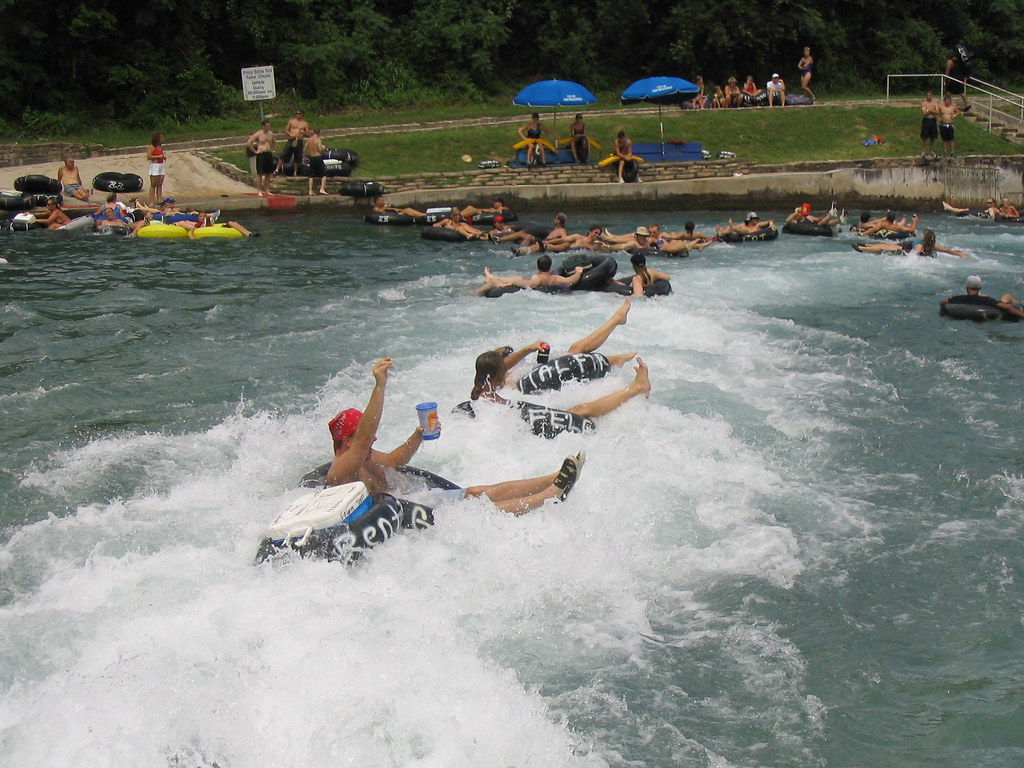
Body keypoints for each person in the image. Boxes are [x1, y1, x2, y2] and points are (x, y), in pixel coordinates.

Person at [326, 358, 585, 514]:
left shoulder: (366, 457)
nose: (373, 439)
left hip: (409, 503)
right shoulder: (342, 470)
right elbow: (365, 436)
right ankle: (548, 495)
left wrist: (418, 435)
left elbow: (395, 461)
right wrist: (380, 385)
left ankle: (552, 479)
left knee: (475, 492)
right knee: (475, 509)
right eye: (364, 436)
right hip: (402, 515)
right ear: (348, 440)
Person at [474, 256, 584, 295]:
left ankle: (491, 278)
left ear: (538, 267)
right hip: (546, 289)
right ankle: (491, 277)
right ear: (550, 267)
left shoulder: (537, 278)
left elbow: (528, 284)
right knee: (519, 278)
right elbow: (572, 280)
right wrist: (578, 271)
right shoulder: (556, 278)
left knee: (518, 279)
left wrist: (512, 283)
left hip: (525, 289)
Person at [939, 275, 1024, 317]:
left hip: (971, 302)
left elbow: (943, 303)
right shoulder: (986, 300)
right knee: (1007, 296)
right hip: (987, 304)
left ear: (967, 287)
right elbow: (1006, 307)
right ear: (980, 287)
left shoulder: (958, 298)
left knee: (985, 295)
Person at [854, 229, 967, 258]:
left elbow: (947, 250)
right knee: (885, 246)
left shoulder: (930, 247)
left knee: (885, 246)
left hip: (906, 247)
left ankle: (862, 247)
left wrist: (959, 254)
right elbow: (914, 255)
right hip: (905, 245)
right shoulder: (920, 246)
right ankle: (863, 247)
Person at [246, 120, 276, 198]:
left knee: (268, 173)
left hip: (268, 153)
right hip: (261, 153)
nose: (268, 127)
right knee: (260, 173)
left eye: (269, 126)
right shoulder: (259, 134)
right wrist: (255, 151)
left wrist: (272, 149)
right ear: (263, 126)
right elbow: (249, 142)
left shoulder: (271, 134)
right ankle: (259, 190)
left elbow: (274, 142)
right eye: (266, 126)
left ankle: (267, 190)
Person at [278, 109, 310, 176]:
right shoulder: (291, 121)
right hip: (291, 140)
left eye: (299, 113)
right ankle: (277, 169)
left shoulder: (305, 124)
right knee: (284, 154)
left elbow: (308, 134)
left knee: (297, 157)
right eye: (296, 113)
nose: (297, 115)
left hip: (299, 140)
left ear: (302, 115)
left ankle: (295, 172)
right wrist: (290, 135)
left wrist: (303, 132)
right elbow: (286, 129)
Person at [945, 45, 972, 111]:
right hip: (960, 77)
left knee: (948, 91)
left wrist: (945, 79)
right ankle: (967, 104)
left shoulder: (950, 61)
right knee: (961, 92)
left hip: (953, 78)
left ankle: (948, 104)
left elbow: (948, 70)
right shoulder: (960, 60)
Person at [305, 127, 328, 195]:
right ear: (319, 133)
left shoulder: (309, 140)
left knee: (311, 175)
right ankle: (322, 189)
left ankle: (310, 190)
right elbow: (320, 149)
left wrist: (303, 156)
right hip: (318, 157)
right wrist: (323, 147)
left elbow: (305, 148)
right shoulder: (318, 139)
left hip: (311, 157)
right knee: (324, 173)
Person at [146, 132, 166, 205]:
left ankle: (159, 199)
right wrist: (158, 156)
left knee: (160, 184)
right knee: (153, 184)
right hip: (155, 166)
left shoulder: (160, 147)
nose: (162, 139)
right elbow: (149, 157)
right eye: (161, 138)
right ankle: (151, 201)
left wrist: (163, 157)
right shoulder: (152, 147)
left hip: (161, 165)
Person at [920, 92, 940, 157]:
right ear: (926, 96)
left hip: (933, 120)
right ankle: (923, 151)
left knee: (932, 136)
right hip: (926, 120)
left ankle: (931, 151)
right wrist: (932, 110)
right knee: (924, 136)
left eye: (930, 95)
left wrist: (929, 110)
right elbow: (925, 113)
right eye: (928, 95)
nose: (929, 96)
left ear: (932, 95)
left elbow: (937, 112)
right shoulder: (923, 103)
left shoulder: (935, 103)